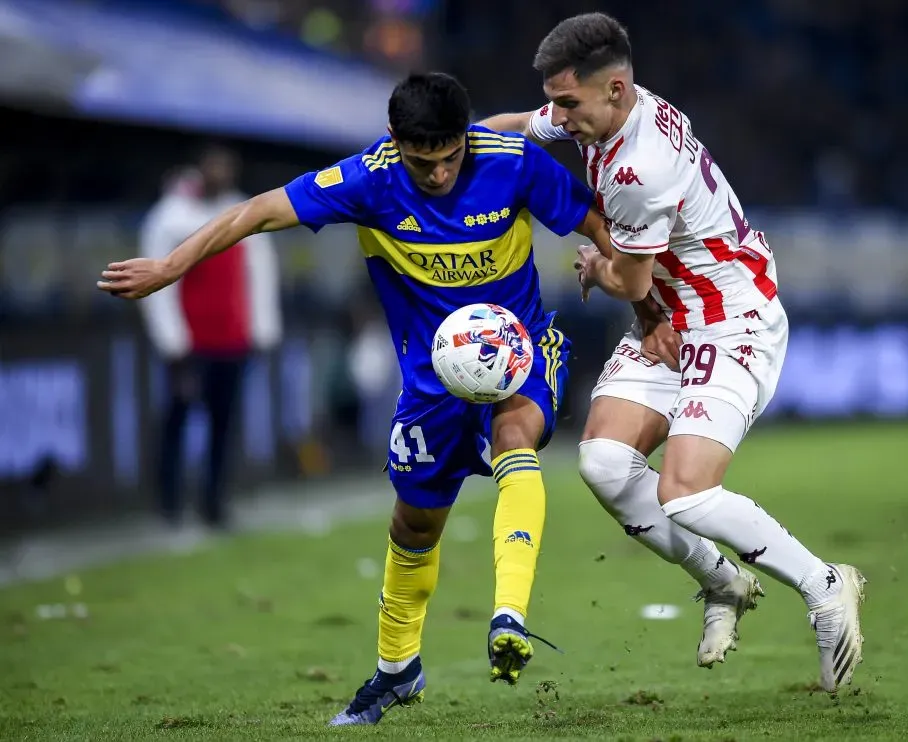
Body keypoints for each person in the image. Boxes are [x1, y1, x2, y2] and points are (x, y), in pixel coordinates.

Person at [97, 72, 609, 724]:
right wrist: (169, 268)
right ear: (397, 143)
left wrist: (647, 301)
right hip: (431, 379)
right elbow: (256, 212)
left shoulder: (513, 164)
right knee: (413, 524)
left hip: (520, 349)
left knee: (517, 433)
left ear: (466, 137)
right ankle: (398, 671)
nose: (441, 174)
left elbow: (598, 222)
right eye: (425, 162)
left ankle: (508, 614)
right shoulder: (368, 178)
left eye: (452, 156)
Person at [481, 13, 865, 693]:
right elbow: (519, 127)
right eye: (558, 101)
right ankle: (722, 583)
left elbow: (627, 278)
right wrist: (458, 140)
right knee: (602, 463)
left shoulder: (638, 166)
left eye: (569, 104)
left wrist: (596, 268)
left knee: (684, 494)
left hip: (730, 319)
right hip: (672, 314)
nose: (560, 118)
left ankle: (825, 584)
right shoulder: (602, 111)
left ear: (617, 90)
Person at [138, 145, 282, 529]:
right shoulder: (171, 217)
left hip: (233, 341)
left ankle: (214, 502)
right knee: (177, 419)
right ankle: (168, 503)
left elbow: (261, 274)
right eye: (213, 166)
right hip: (191, 344)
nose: (220, 173)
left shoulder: (242, 212)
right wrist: (171, 341)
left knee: (223, 425)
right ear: (201, 170)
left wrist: (262, 329)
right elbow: (158, 281)